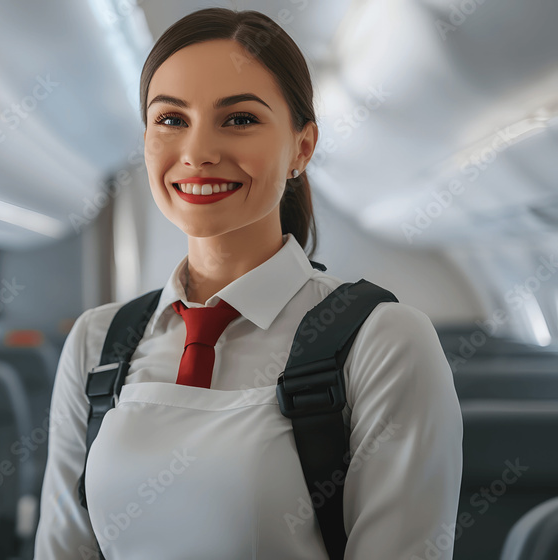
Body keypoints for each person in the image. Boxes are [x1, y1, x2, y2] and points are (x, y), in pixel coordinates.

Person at [33, 7, 463, 559]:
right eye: (171, 120)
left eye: (238, 120)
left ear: (301, 148)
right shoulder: (98, 343)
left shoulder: (383, 343)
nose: (198, 153)